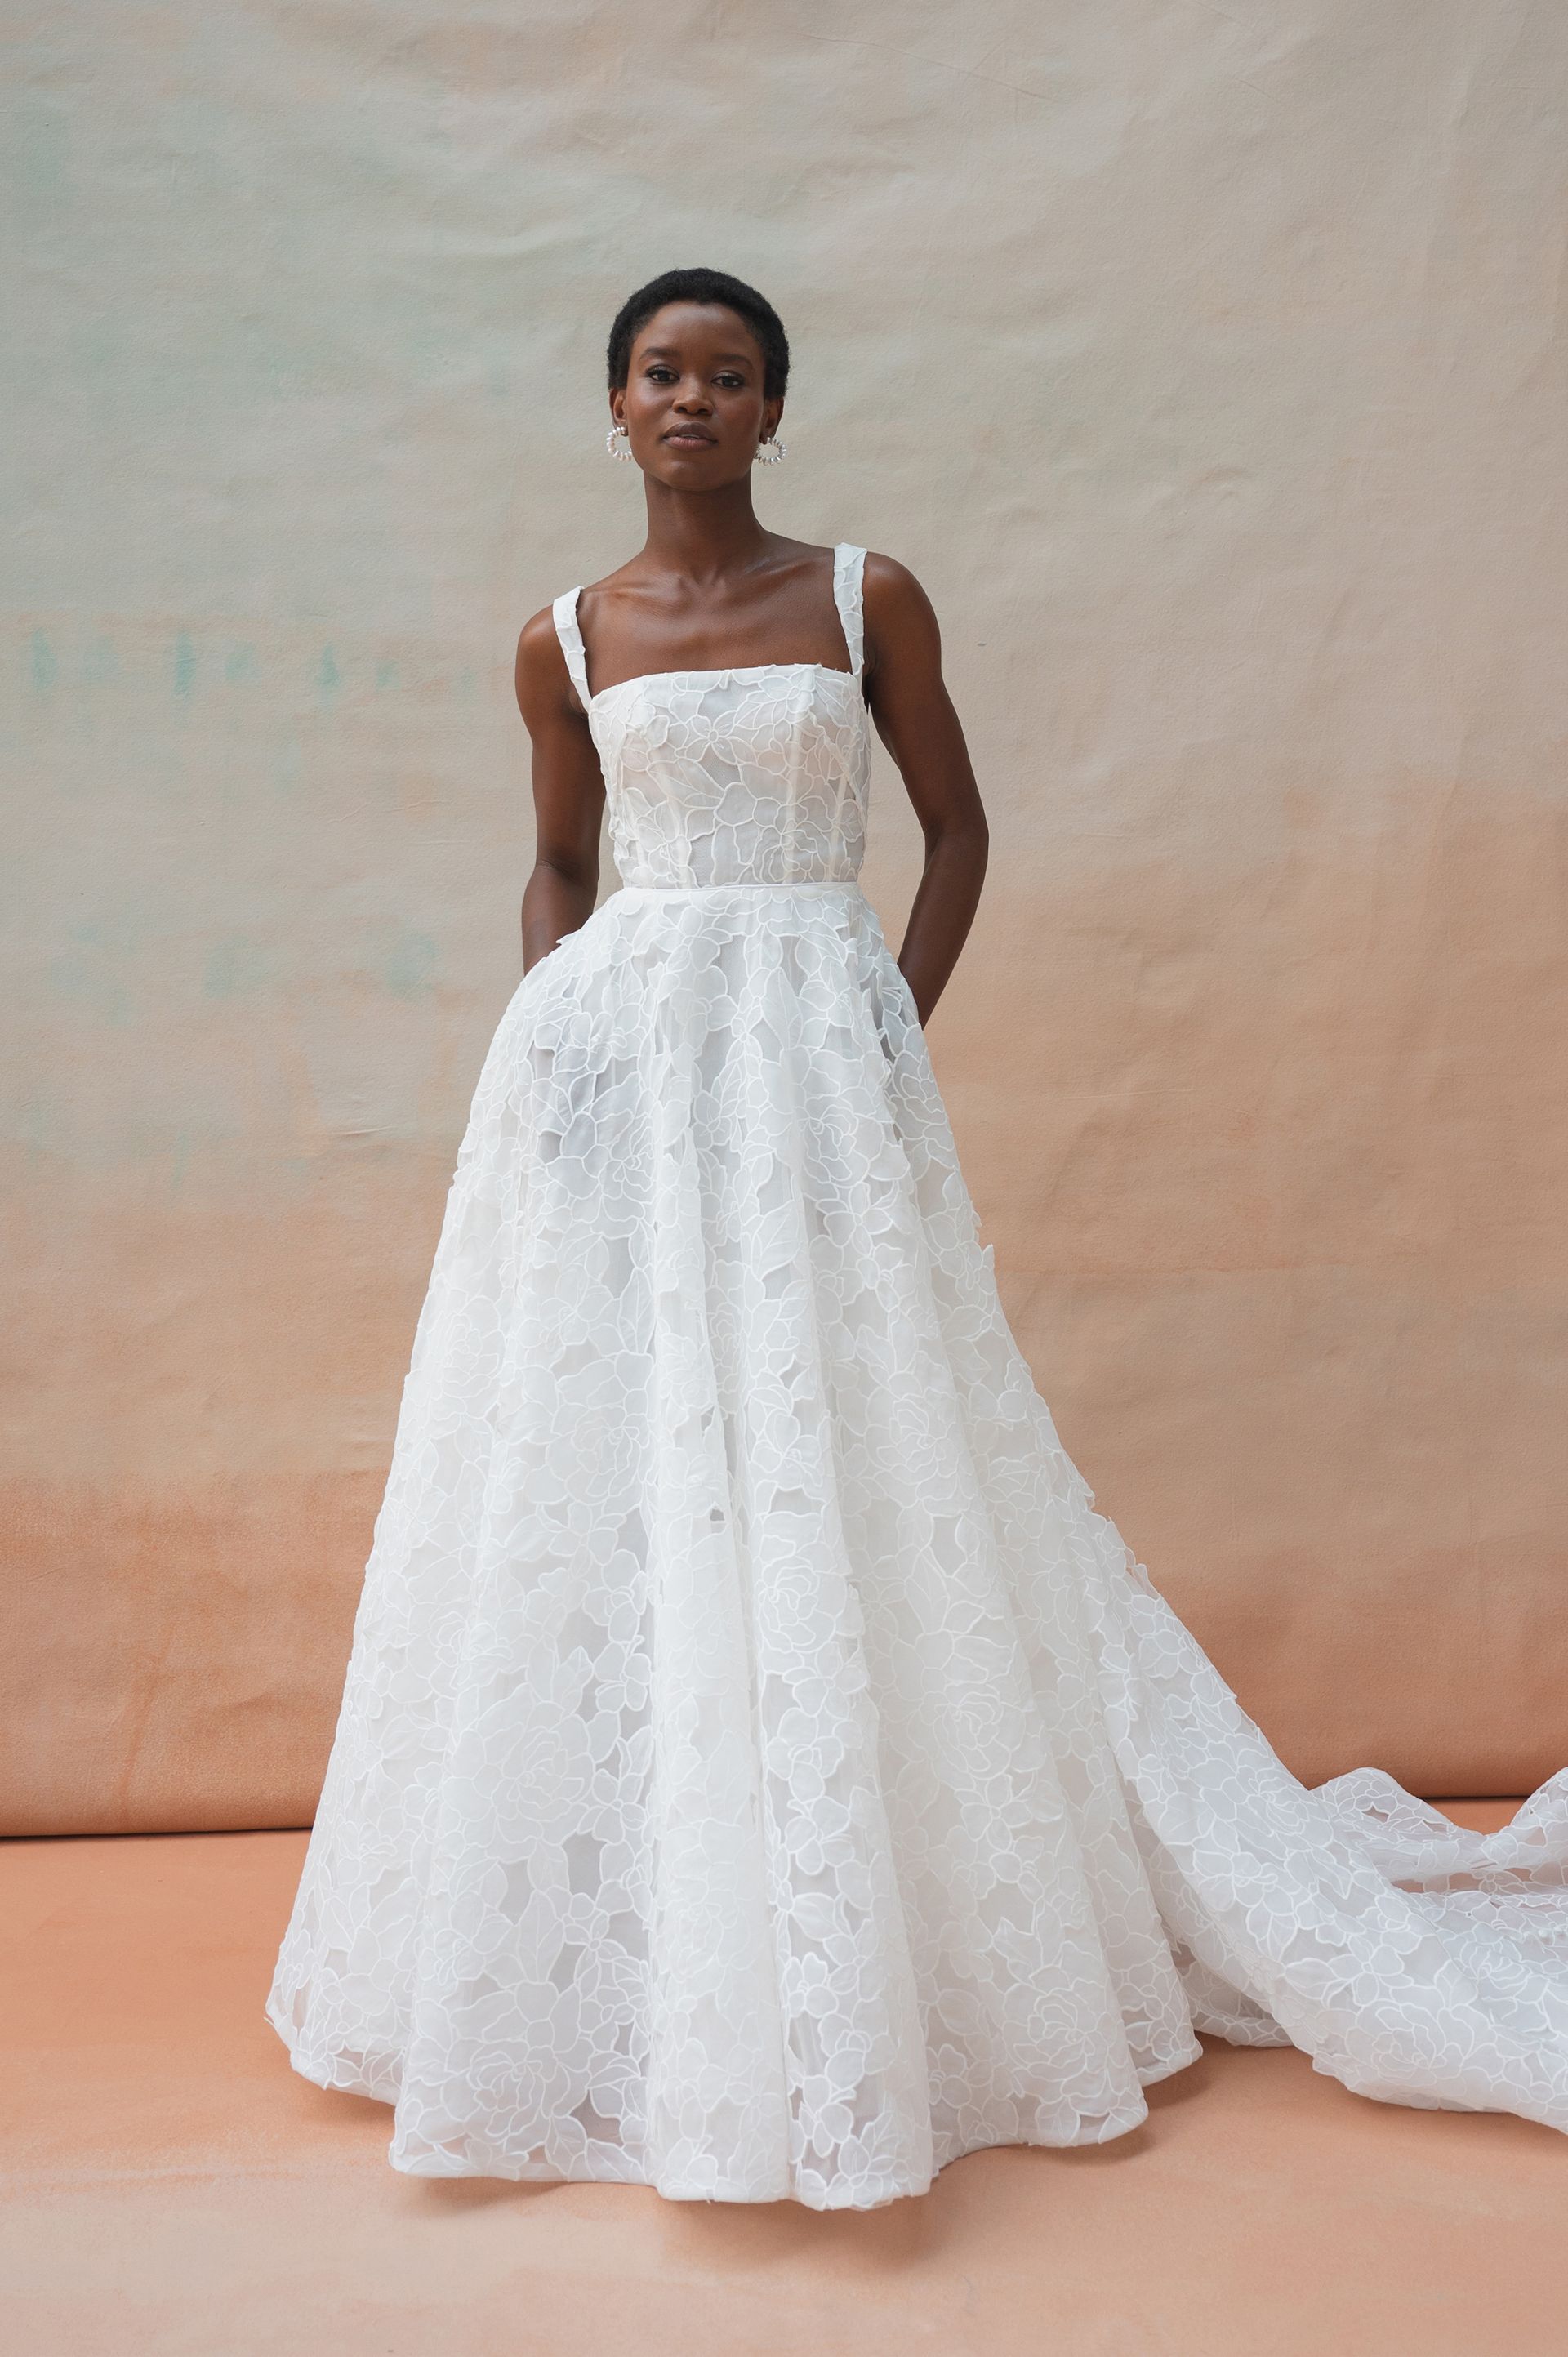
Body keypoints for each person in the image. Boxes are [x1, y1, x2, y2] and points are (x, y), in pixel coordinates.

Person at [269, 266, 1568, 2212]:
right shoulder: (563, 638)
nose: (690, 400)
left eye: (727, 375)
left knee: (849, 1433)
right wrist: (564, 1037)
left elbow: (958, 830)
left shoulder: (864, 597)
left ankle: (896, 1929)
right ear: (611, 409)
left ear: (774, 409)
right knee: (618, 1459)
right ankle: (650, 1943)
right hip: (621, 1076)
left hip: (813, 1052)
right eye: (658, 373)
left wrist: (885, 1023)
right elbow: (559, 861)